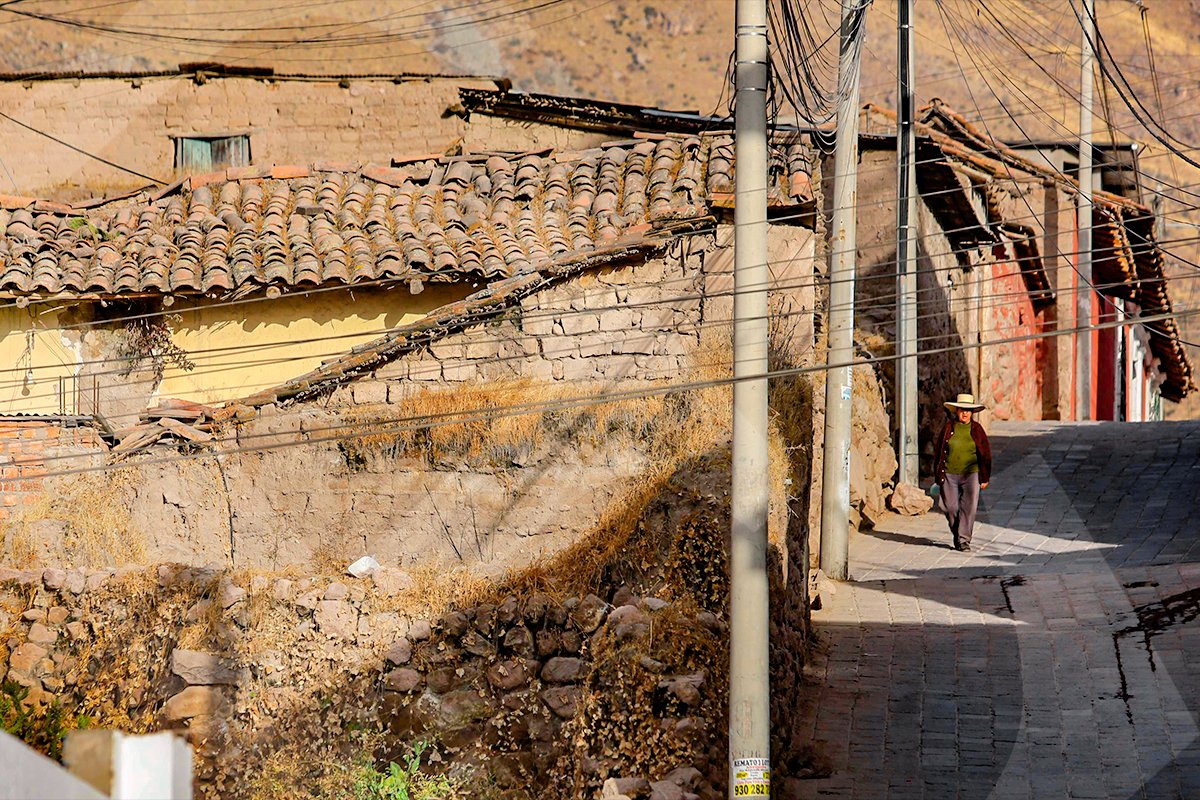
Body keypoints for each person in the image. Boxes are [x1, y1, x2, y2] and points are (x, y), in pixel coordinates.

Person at [932, 393, 992, 552]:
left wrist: (985, 477)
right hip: (949, 474)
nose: (965, 413)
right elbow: (939, 451)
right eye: (962, 410)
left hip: (971, 474)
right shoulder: (948, 428)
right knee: (949, 506)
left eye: (968, 410)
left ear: (972, 412)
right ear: (956, 411)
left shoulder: (977, 430)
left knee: (969, 507)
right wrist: (937, 473)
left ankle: (963, 540)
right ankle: (959, 532)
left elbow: (985, 454)